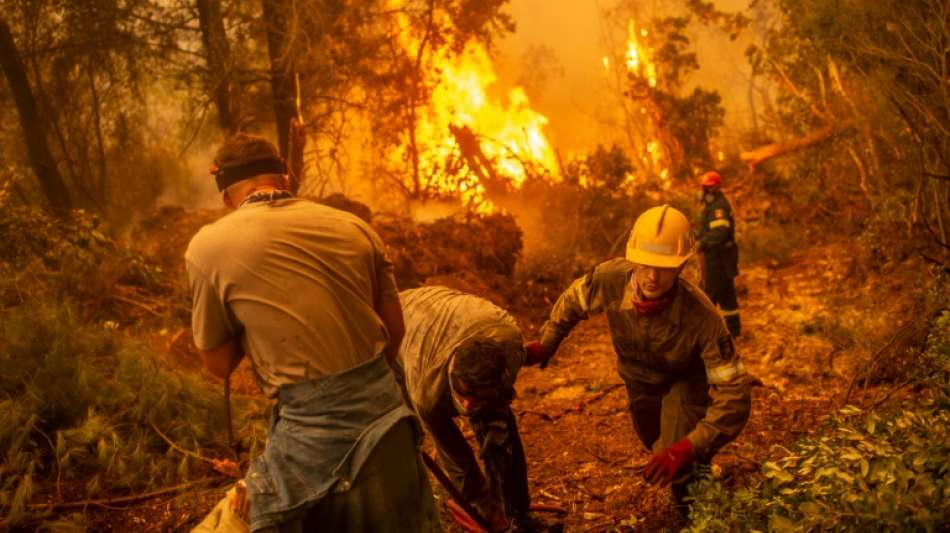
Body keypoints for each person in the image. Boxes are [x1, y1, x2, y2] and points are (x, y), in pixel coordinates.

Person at [185, 133, 441, 532]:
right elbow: (394, 332)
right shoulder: (355, 228)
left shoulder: (208, 247)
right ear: (286, 179)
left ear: (226, 197)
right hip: (389, 428)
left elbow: (217, 364)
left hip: (305, 443)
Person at [525, 205, 751, 515]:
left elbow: (735, 394)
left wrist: (688, 447)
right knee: (653, 442)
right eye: (644, 264)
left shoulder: (703, 317)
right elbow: (572, 302)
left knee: (679, 456)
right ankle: (698, 465)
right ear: (633, 258)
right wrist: (546, 344)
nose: (652, 276)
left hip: (682, 381)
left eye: (665, 267)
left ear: (683, 265)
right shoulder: (609, 279)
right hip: (639, 380)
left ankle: (699, 512)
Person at [396, 286, 542, 533]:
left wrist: (495, 425)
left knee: (500, 430)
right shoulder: (427, 392)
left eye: (478, 398)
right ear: (453, 374)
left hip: (467, 317)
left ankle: (518, 513)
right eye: (463, 395)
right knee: (405, 428)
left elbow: (499, 409)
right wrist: (485, 507)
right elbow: (457, 458)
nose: (467, 405)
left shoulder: (510, 349)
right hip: (399, 323)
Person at [697, 170, 741, 337]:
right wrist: (697, 236)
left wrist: (703, 242)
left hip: (718, 258)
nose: (705, 191)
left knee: (710, 295)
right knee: (727, 295)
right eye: (705, 187)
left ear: (716, 187)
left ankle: (705, 334)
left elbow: (720, 232)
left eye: (708, 188)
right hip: (721, 257)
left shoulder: (718, 207)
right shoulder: (712, 206)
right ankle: (734, 331)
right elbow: (711, 230)